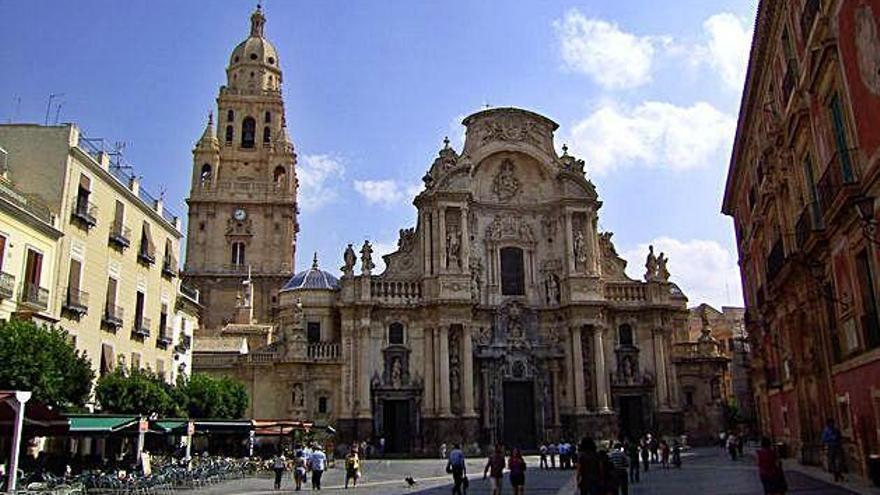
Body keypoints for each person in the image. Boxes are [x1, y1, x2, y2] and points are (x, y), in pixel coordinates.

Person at [822, 417, 845, 482]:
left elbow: (840, 436)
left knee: (840, 461)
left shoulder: (836, 429)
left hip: (838, 446)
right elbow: (824, 439)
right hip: (831, 446)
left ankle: (838, 473)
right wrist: (831, 438)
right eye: (831, 423)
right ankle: (836, 474)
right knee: (832, 461)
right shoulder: (826, 431)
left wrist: (840, 439)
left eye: (833, 423)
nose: (832, 424)